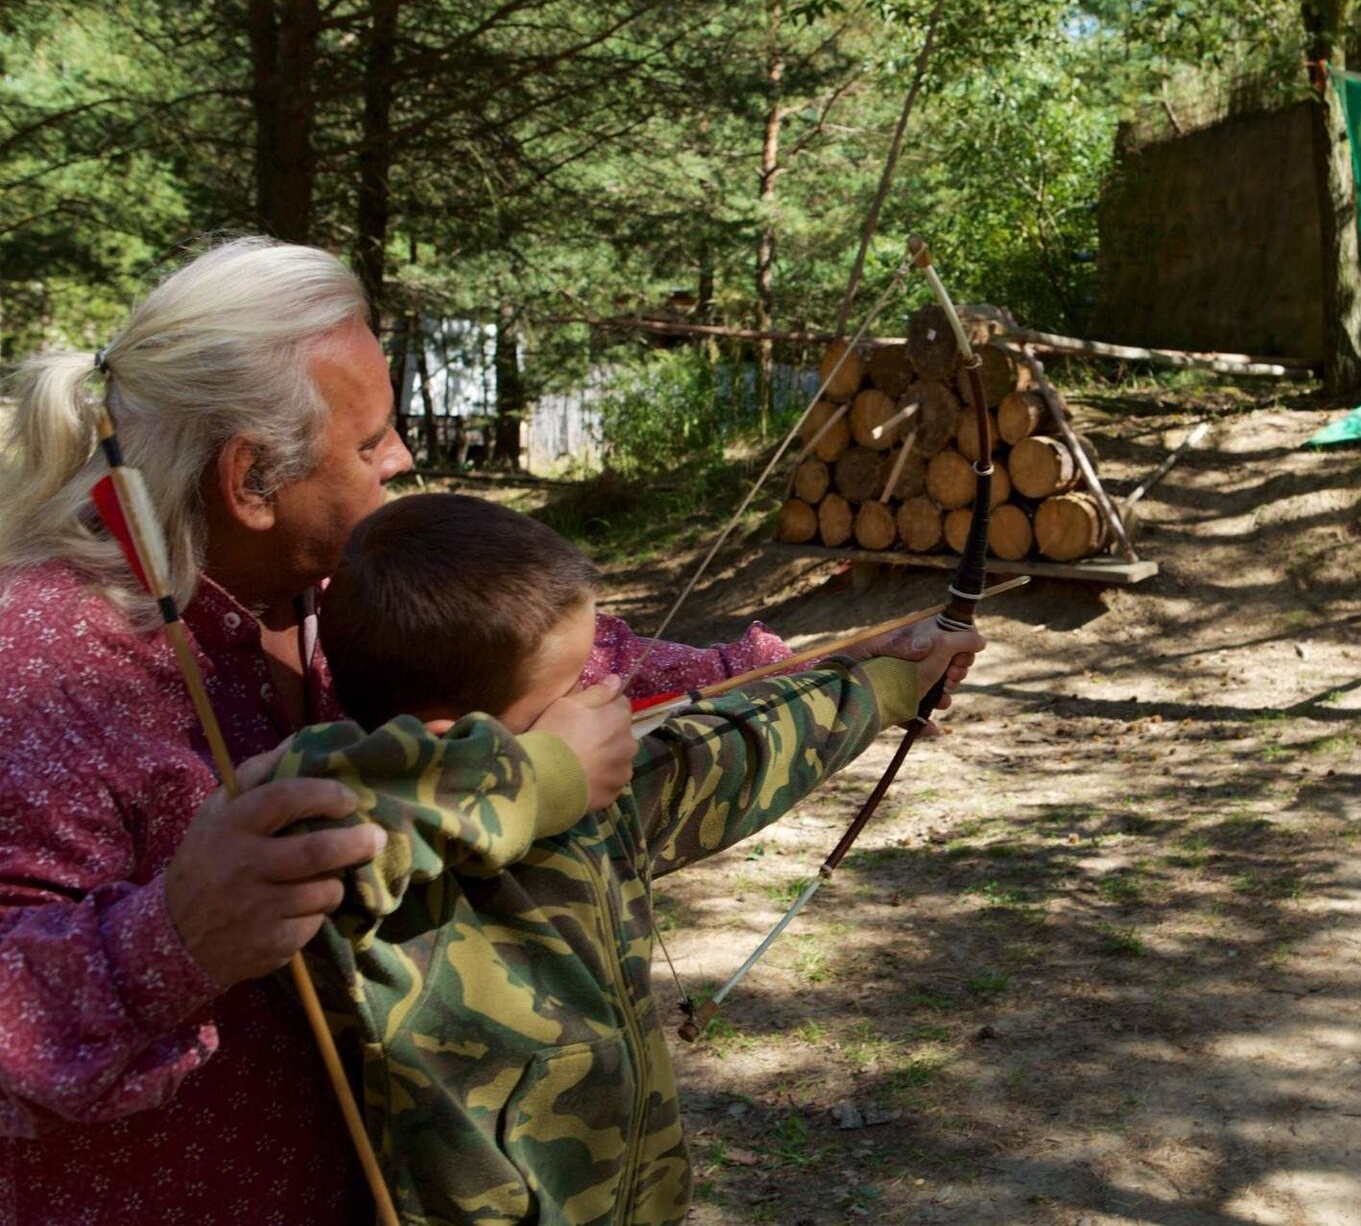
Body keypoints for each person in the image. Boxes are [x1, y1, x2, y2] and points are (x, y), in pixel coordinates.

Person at [0, 237, 822, 1222]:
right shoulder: (42, 668)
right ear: (251, 479)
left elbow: (578, 662)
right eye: (370, 442)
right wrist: (175, 934)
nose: (401, 460)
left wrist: (793, 666)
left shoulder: (331, 587)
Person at [276, 492, 979, 1224]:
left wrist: (895, 678)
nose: (608, 700)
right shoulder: (360, 869)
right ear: (459, 734)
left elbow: (736, 749)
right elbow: (309, 814)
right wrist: (542, 775)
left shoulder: (594, 807)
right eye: (572, 692)